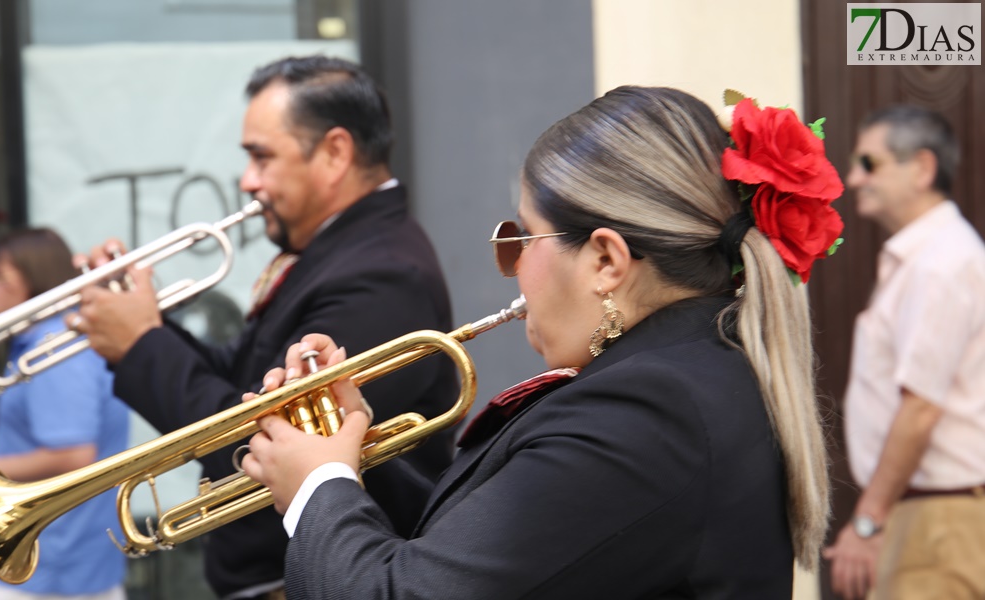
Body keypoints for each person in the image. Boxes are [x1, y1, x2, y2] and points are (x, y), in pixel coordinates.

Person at [241, 86, 840, 599]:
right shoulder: (683, 376)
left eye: (522, 238)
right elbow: (501, 555)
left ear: (605, 259)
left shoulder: (646, 412)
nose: (514, 267)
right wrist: (349, 452)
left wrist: (316, 491)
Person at [70, 56, 456, 600]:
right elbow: (239, 376)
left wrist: (141, 344)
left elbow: (261, 438)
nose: (248, 181)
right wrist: (138, 323)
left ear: (335, 153)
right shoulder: (340, 251)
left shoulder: (383, 272)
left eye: (261, 156)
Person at [823, 106, 985, 599]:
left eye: (869, 164)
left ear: (922, 168)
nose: (853, 179)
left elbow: (919, 409)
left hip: (938, 519)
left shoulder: (941, 262)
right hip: (920, 512)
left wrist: (867, 523)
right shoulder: (928, 258)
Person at [0, 228, 130, 600]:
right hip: (69, 562)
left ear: (34, 282)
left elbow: (73, 454)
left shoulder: (51, 350)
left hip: (52, 566)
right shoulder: (55, 341)